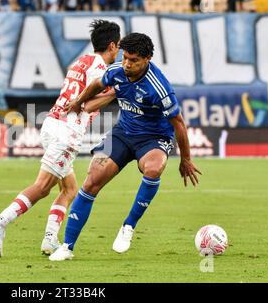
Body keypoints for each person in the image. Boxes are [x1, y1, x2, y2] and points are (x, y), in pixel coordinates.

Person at [50, 33, 201, 261]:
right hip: (122, 132)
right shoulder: (117, 70)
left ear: (148, 59)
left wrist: (185, 159)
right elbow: (96, 84)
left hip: (153, 137)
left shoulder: (159, 88)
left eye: (134, 60)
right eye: (125, 58)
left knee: (153, 168)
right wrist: (79, 101)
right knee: (92, 178)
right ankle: (67, 247)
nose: (128, 64)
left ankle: (128, 226)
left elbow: (178, 123)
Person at [0, 20, 121, 257]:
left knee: (69, 188)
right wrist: (115, 93)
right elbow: (86, 105)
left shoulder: (81, 61)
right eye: (118, 46)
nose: (118, 51)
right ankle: (1, 221)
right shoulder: (99, 68)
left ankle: (50, 239)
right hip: (67, 132)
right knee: (43, 187)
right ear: (112, 45)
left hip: (52, 124)